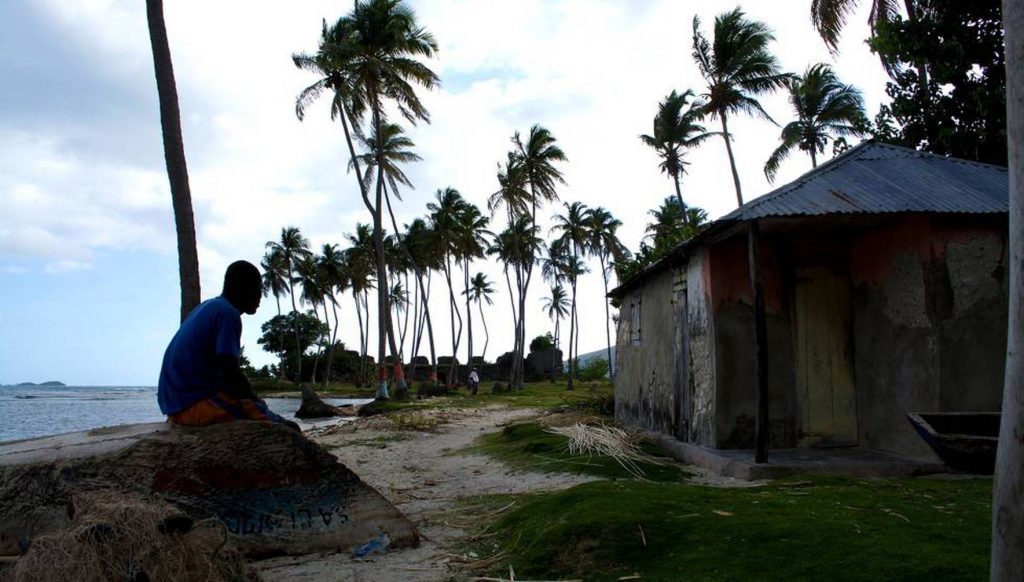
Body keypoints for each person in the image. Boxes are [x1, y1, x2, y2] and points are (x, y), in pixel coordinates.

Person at [158, 260, 299, 431]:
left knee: (254, 404)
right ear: (242, 288)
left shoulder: (208, 307)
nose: (260, 295)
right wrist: (252, 400)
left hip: (175, 407)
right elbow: (229, 369)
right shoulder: (228, 314)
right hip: (195, 406)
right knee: (284, 425)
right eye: (257, 288)